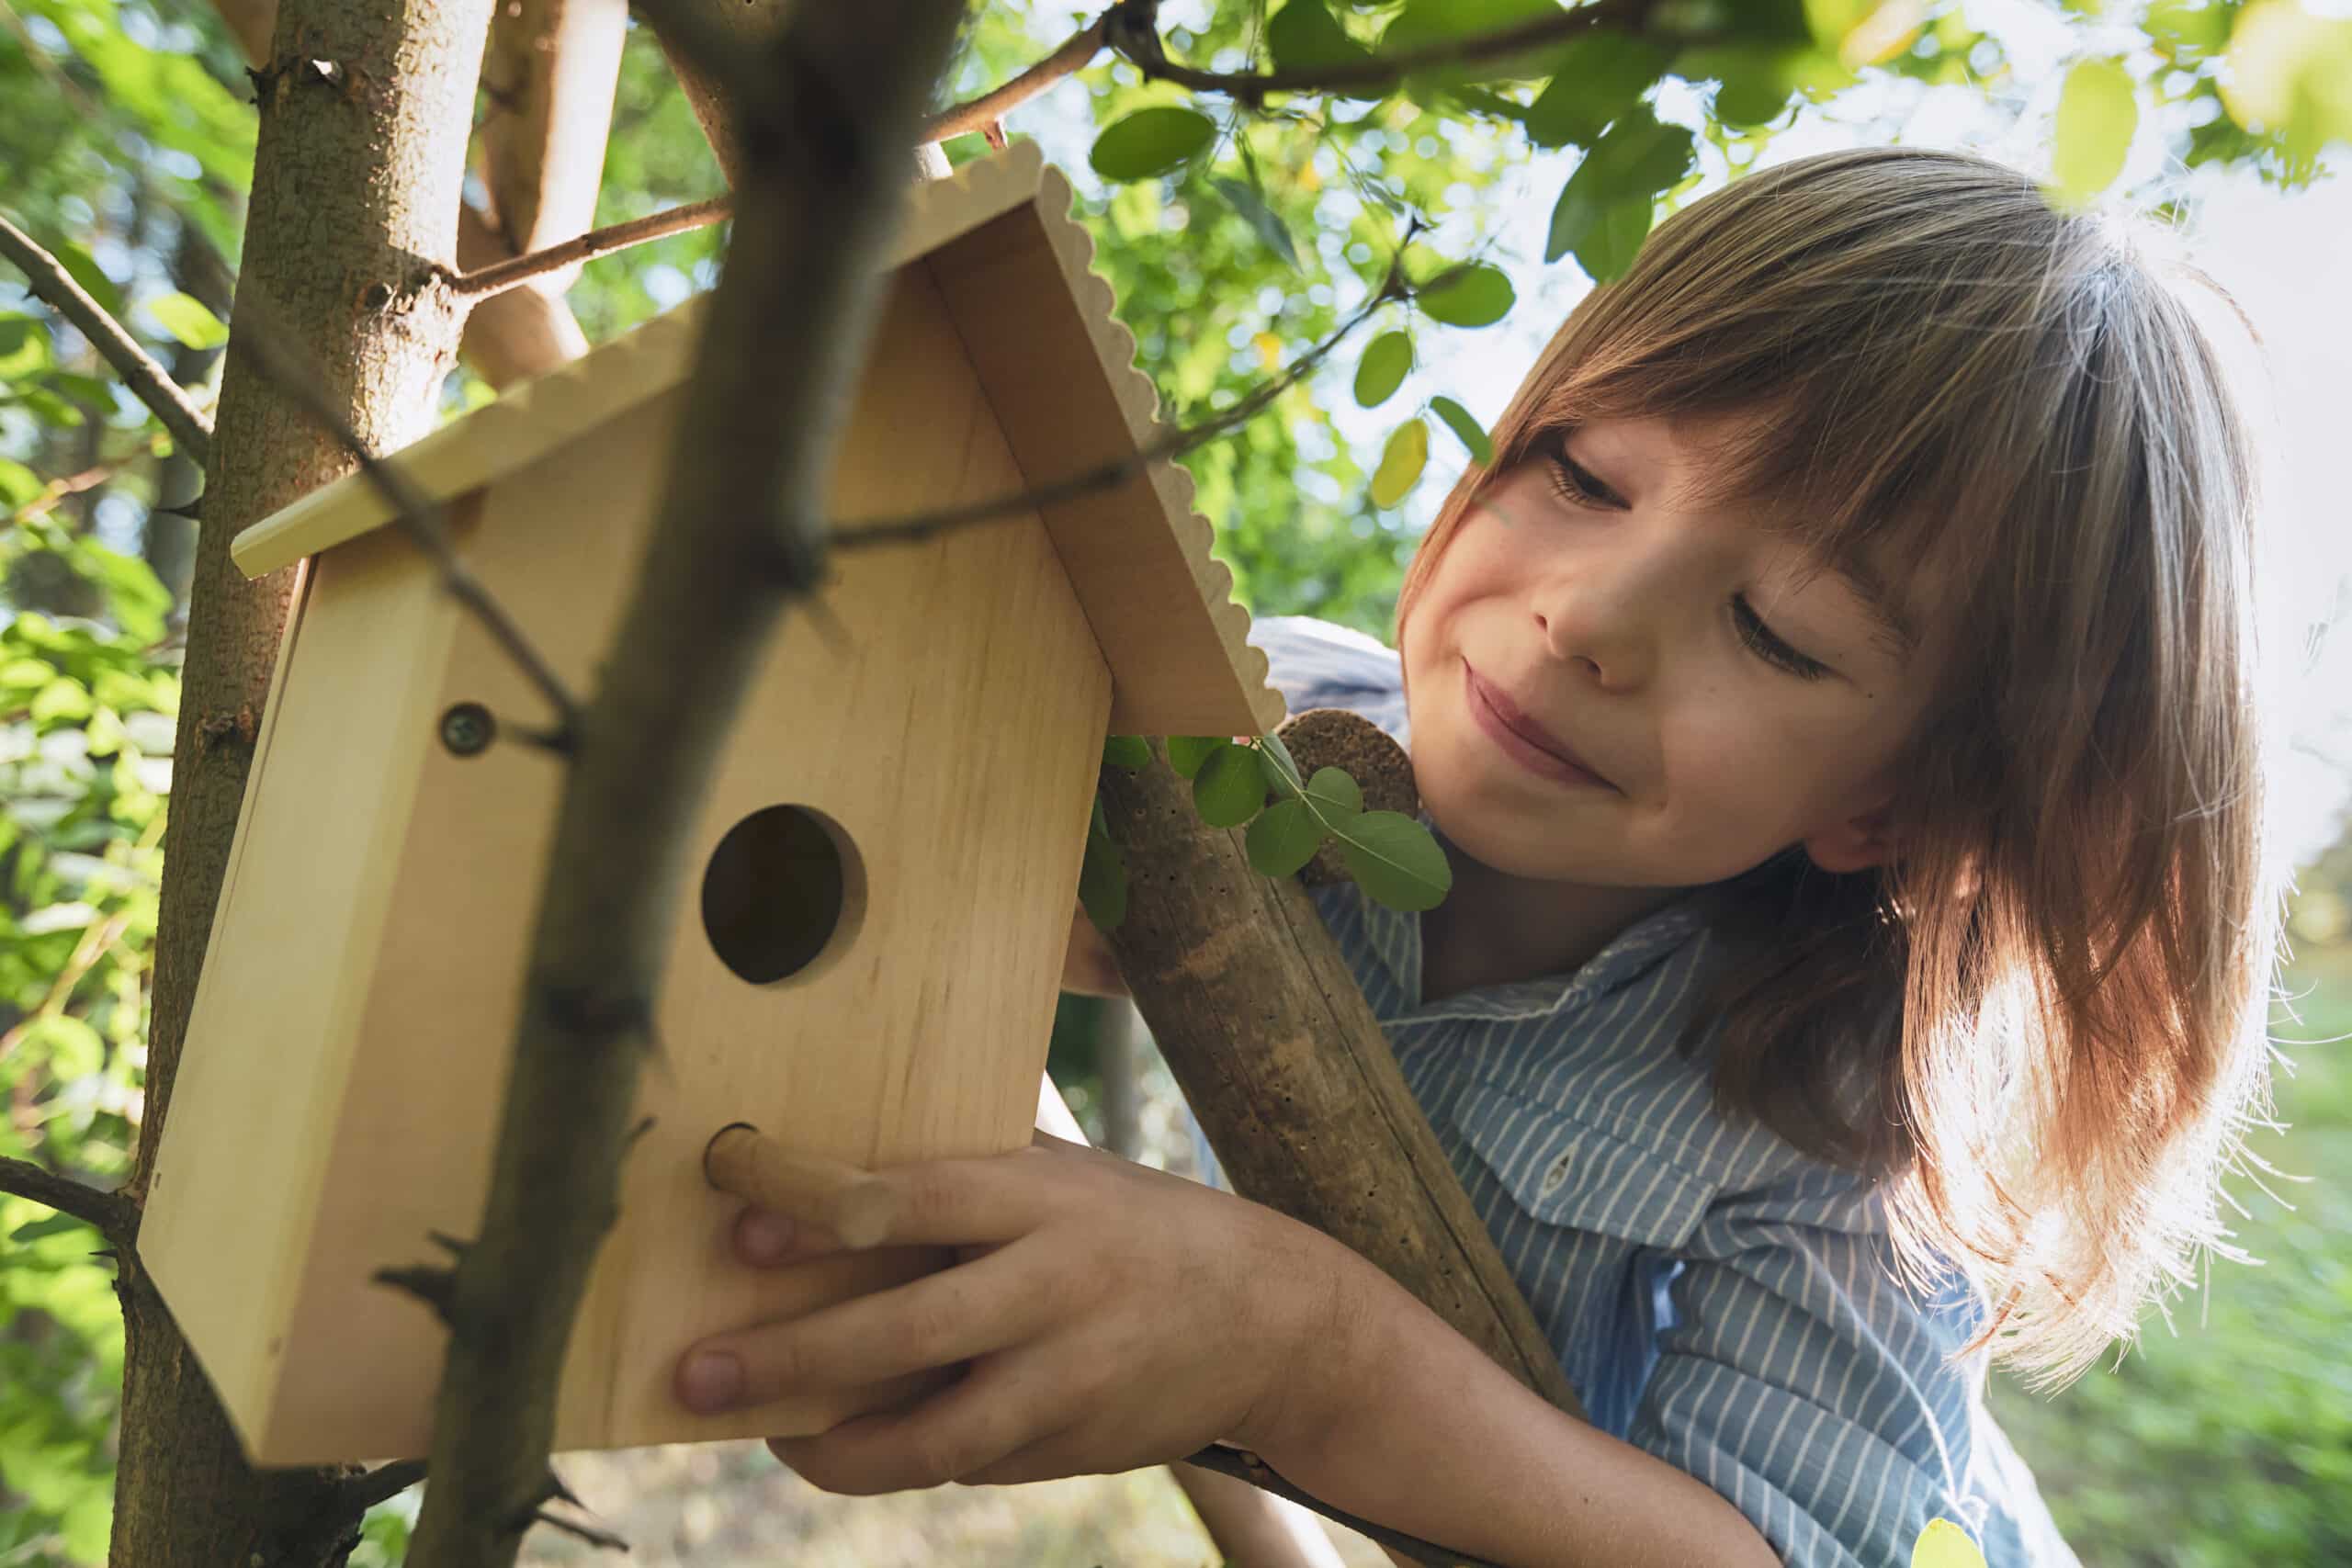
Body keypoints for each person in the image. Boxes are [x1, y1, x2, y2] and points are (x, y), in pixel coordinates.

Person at [670, 146, 2283, 1566]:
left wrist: (1307, 1357)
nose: (1584, 621)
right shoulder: (1259, 719)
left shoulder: (1840, 1130)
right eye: (1582, 475)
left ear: (1891, 811)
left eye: (1777, 633)